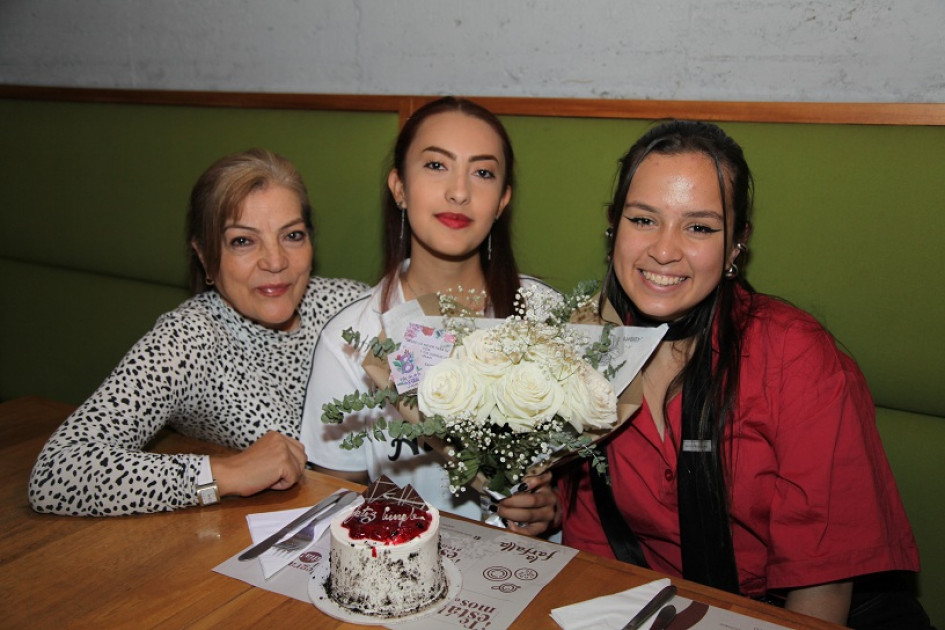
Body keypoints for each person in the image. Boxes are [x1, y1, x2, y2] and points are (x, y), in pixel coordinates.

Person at [536, 121, 928, 628]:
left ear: (737, 244)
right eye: (643, 219)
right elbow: (596, 552)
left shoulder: (795, 358)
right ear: (614, 227)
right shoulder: (580, 351)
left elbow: (823, 587)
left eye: (699, 227)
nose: (664, 250)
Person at [28, 148, 367, 516]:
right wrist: (224, 473)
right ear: (204, 256)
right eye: (243, 241)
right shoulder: (190, 338)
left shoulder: (348, 306)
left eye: (292, 235)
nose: (275, 261)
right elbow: (56, 471)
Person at [300, 97, 556, 524]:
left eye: (483, 172)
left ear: (502, 201)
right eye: (436, 165)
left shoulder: (544, 314)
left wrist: (551, 510)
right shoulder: (351, 339)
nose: (459, 191)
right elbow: (334, 502)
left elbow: (583, 492)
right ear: (399, 187)